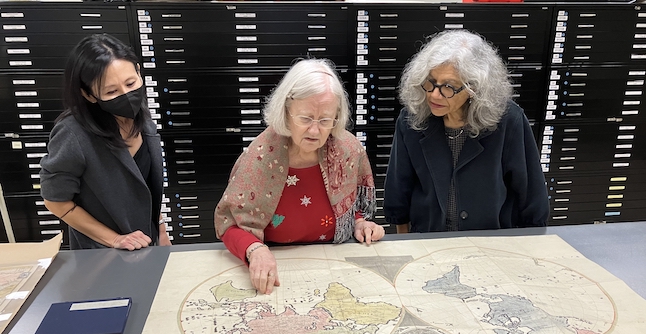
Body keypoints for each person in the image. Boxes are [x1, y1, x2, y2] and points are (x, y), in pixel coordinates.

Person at [215, 58, 385, 294]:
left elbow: (349, 205)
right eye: (305, 118)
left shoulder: (348, 150)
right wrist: (255, 249)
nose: (315, 130)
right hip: (279, 274)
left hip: (335, 271)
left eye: (325, 120)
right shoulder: (260, 157)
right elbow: (229, 224)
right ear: (286, 112)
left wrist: (359, 223)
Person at [384, 30, 549, 233]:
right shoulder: (411, 119)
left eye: (448, 87)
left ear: (474, 89)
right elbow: (399, 186)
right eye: (431, 82)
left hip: (492, 239)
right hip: (428, 238)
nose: (434, 95)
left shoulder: (508, 120)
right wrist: (405, 241)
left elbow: (530, 193)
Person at [40, 34, 171, 250]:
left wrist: (161, 229)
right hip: (101, 255)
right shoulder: (73, 134)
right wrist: (115, 239)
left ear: (138, 71)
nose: (126, 95)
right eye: (111, 91)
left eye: (131, 83)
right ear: (89, 95)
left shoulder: (144, 121)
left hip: (146, 246)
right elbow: (56, 201)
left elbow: (146, 188)